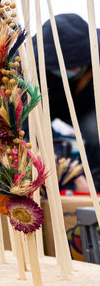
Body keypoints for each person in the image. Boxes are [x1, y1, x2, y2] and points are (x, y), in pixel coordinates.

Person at [33, 13, 100, 191]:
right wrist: (73, 174)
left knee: (94, 132)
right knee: (48, 147)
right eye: (63, 66)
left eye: (74, 65)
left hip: (89, 110)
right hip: (45, 113)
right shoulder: (30, 66)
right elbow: (28, 120)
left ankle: (94, 178)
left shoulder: (96, 52)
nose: (70, 70)